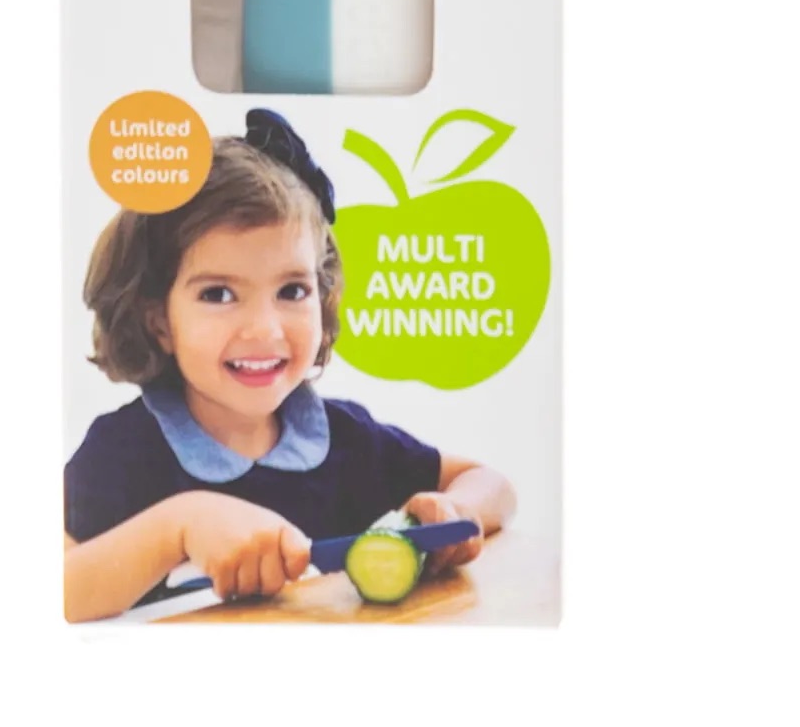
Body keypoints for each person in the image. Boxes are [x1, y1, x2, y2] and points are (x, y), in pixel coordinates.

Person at [64, 109, 517, 618]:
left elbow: (491, 482)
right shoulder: (123, 452)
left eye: (292, 291)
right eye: (218, 294)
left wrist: (456, 512)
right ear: (159, 323)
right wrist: (181, 524)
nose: (265, 329)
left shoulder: (347, 440)